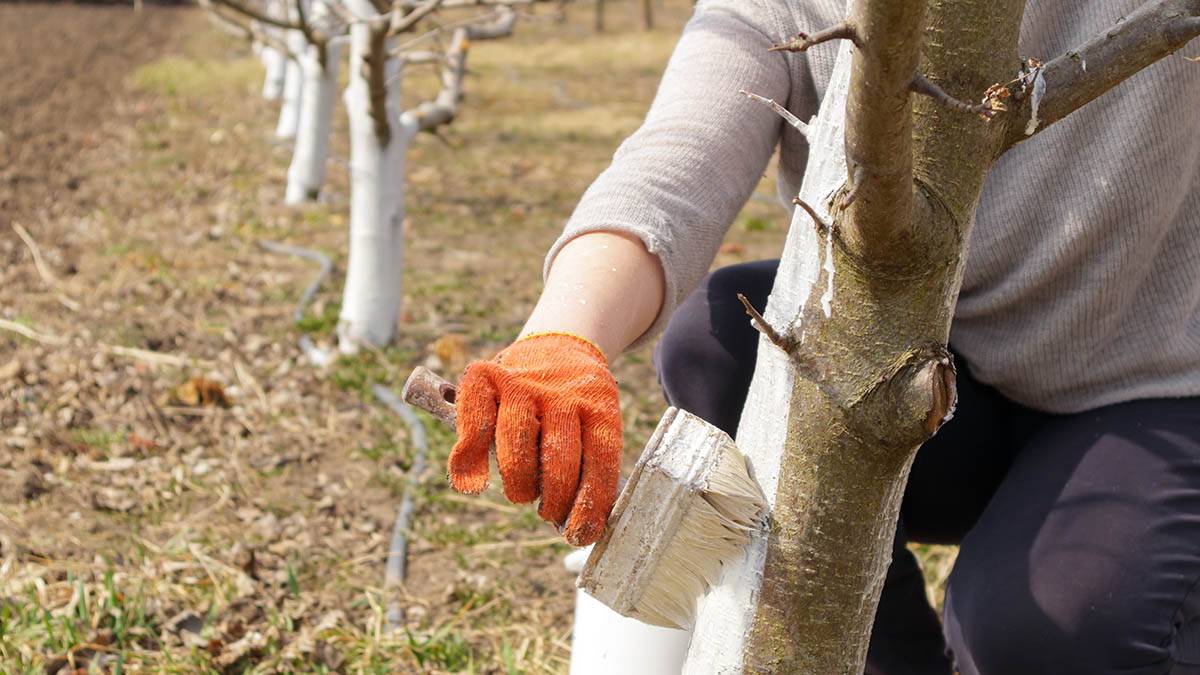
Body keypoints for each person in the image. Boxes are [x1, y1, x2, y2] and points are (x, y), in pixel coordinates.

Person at [444, 0, 1200, 673]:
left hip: (1154, 385)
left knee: (1044, 636)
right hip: (940, 375)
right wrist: (561, 340)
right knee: (718, 339)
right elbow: (675, 160)